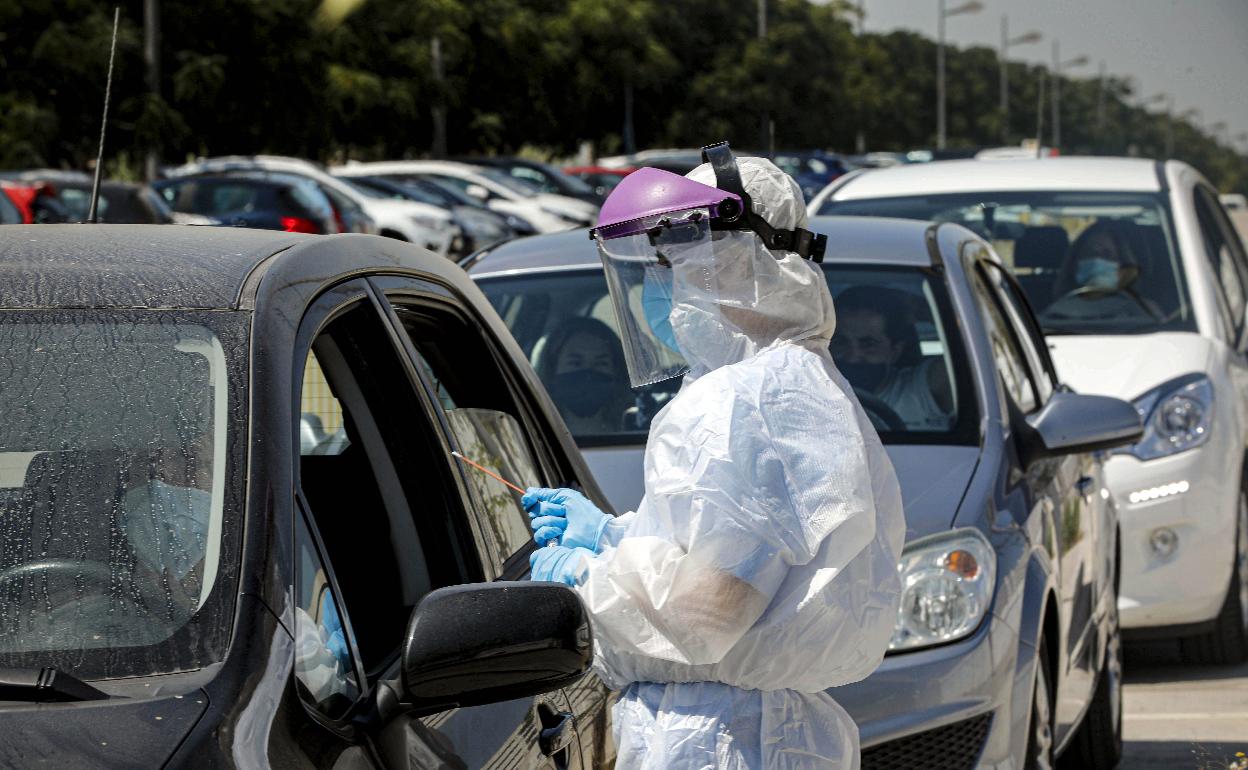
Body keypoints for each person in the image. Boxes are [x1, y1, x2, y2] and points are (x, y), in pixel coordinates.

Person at [523, 143, 905, 769]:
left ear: (738, 258)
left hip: (717, 740)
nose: (667, 284)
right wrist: (616, 538)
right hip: (764, 732)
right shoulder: (795, 382)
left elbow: (707, 611)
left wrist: (583, 580)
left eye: (680, 258)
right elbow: (748, 560)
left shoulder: (744, 399)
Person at [831, 286, 953, 430]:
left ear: (895, 351)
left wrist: (923, 310)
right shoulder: (810, 392)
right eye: (841, 341)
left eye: (869, 344)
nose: (853, 356)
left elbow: (971, 360)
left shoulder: (921, 389)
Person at [536, 317, 633, 434]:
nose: (588, 373)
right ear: (552, 370)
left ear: (617, 372)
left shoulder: (636, 432)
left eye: (601, 363)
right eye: (575, 363)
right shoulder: (534, 434)